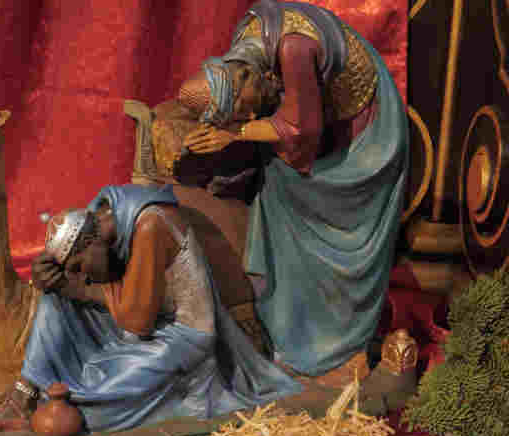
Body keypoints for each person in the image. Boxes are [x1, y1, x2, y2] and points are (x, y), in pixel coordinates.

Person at [175, 0, 408, 380]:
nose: (252, 116)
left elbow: (300, 130)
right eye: (243, 115)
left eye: (247, 108)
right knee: (276, 190)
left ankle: (343, 347)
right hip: (316, 125)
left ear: (246, 76)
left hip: (365, 134)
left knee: (319, 212)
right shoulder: (246, 44)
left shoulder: (292, 48)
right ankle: (289, 332)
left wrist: (235, 133)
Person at [0, 184, 302, 435]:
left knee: (99, 402)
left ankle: (69, 397)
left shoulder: (151, 226)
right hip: (139, 317)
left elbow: (138, 322)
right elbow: (99, 285)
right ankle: (25, 391)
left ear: (93, 243)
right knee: (56, 299)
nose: (81, 272)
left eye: (81, 264)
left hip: (182, 335)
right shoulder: (101, 215)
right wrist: (56, 279)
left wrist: (87, 284)